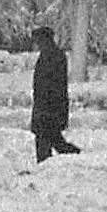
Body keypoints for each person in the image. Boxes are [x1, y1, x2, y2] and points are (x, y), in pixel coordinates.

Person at [29, 26, 81, 163]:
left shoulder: (54, 56)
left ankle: (46, 168)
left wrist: (46, 110)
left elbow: (54, 85)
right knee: (55, 141)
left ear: (45, 39)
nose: (37, 44)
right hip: (46, 108)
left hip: (50, 109)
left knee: (46, 142)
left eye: (38, 40)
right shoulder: (49, 55)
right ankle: (76, 157)